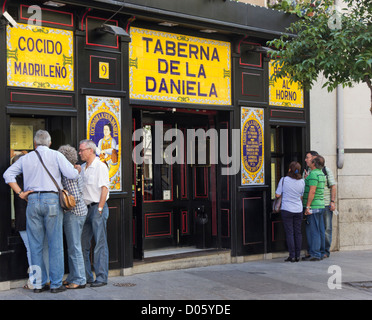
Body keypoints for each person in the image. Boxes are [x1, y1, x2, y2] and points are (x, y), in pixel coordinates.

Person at [3, 130, 80, 293]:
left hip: (32, 201)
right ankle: (56, 284)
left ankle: (38, 284)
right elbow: (71, 174)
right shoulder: (56, 155)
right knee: (55, 244)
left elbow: (8, 174)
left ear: (34, 144)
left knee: (35, 245)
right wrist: (78, 170)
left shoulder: (26, 158)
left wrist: (20, 193)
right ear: (50, 143)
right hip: (52, 200)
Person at [78, 139, 110, 287]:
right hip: (85, 209)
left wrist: (100, 209)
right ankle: (87, 276)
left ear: (91, 150)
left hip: (98, 207)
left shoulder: (100, 166)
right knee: (82, 244)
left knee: (100, 244)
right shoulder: (83, 167)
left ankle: (102, 277)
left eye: (81, 150)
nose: (80, 153)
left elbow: (104, 189)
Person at [58, 145, 88, 289]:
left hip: (73, 213)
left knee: (74, 247)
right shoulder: (75, 170)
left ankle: (79, 279)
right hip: (80, 211)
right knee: (73, 246)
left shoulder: (68, 173)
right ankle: (73, 276)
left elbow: (74, 196)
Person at [304, 151, 337, 258]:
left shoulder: (324, 171)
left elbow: (332, 186)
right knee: (320, 229)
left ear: (314, 159)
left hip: (324, 203)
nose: (306, 160)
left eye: (308, 158)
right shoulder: (310, 171)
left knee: (324, 229)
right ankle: (316, 251)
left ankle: (322, 252)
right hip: (319, 204)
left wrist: (332, 201)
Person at [275, 162, 305, 262]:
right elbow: (301, 195)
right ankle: (297, 256)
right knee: (298, 233)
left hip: (287, 209)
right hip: (298, 209)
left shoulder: (284, 180)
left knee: (289, 233)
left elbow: (277, 195)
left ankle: (292, 256)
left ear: (289, 170)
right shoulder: (302, 181)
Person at [302, 156, 326, 261]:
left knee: (313, 231)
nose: (309, 161)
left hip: (313, 206)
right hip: (320, 205)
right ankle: (320, 252)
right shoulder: (321, 174)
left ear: (314, 164)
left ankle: (315, 253)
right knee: (319, 230)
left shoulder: (313, 174)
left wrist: (308, 206)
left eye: (311, 161)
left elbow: (312, 191)